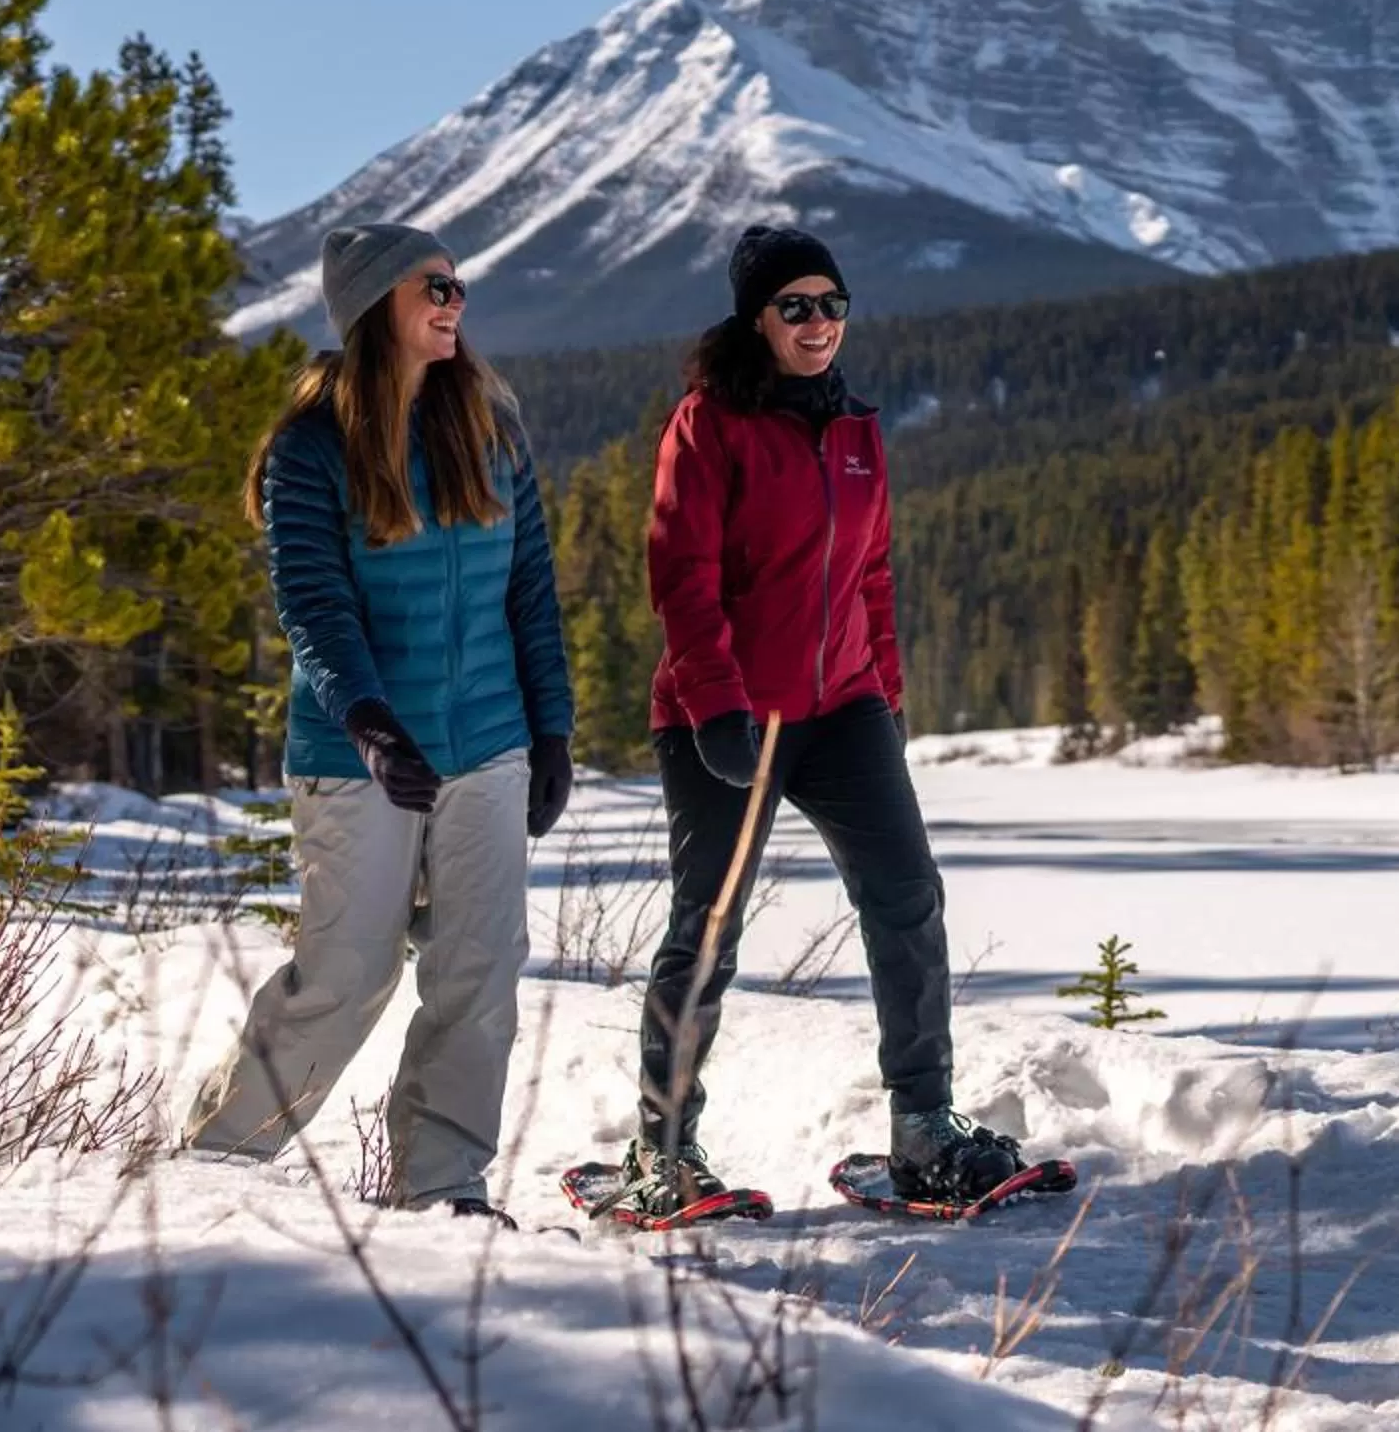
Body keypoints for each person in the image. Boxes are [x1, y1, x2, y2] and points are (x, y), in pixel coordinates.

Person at [605, 225, 1022, 1220]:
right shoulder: (708, 423)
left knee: (908, 899)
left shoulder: (857, 429)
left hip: (844, 710)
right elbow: (684, 578)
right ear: (758, 318)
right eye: (796, 306)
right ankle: (662, 1148)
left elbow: (872, 574)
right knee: (708, 926)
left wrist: (887, 691)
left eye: (833, 304)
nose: (818, 323)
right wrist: (714, 707)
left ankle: (923, 1126)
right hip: (730, 714)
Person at [184, 224, 576, 1222]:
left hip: (489, 744)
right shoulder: (310, 447)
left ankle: (443, 1188)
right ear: (372, 309)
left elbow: (531, 592)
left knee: (477, 974)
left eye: (457, 284)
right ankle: (216, 1165)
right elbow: (314, 601)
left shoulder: (490, 427)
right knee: (348, 973)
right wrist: (369, 722)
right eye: (432, 287)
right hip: (359, 756)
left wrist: (553, 730)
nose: (453, 301)